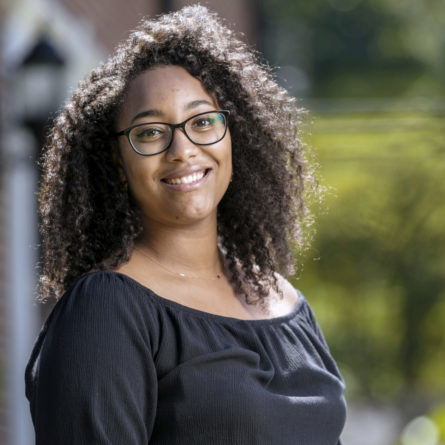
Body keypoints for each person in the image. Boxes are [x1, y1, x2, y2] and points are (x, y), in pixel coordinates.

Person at [25, 5, 346, 444]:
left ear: (236, 137)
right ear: (117, 163)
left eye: (203, 122)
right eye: (151, 132)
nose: (183, 149)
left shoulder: (283, 299)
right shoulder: (106, 309)